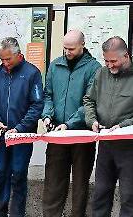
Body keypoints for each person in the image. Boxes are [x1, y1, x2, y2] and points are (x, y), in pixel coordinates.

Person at [41, 30, 101, 217]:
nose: (67, 52)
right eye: (65, 48)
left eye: (72, 49)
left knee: (80, 184)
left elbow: (90, 101)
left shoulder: (94, 68)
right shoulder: (55, 65)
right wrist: (47, 116)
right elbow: (48, 95)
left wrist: (70, 124)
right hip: (57, 134)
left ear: (82, 45)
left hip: (82, 134)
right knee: (53, 183)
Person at [0, 37, 44, 217]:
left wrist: (20, 128)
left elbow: (37, 105)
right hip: (2, 135)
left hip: (22, 135)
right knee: (1, 174)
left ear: (19, 55)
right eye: (1, 59)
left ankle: (17, 213)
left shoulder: (32, 73)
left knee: (18, 175)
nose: (5, 63)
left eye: (8, 59)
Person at [84, 36, 133, 217]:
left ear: (126, 56)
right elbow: (89, 100)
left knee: (129, 197)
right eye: (106, 60)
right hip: (106, 144)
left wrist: (122, 125)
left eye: (114, 61)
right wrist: (92, 121)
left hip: (129, 147)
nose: (109, 65)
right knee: (101, 194)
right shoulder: (101, 73)